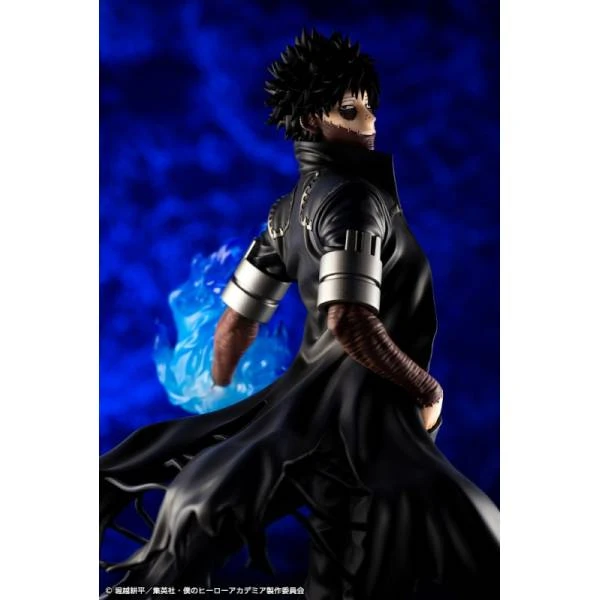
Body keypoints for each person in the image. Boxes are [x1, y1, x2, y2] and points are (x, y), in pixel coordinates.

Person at [100, 30, 499, 599]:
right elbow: (349, 319)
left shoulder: (286, 213)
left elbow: (235, 324)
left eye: (370, 107)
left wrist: (219, 391)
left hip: (308, 418)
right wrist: (425, 389)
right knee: (486, 547)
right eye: (351, 110)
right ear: (314, 119)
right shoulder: (356, 200)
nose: (370, 122)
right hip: (372, 418)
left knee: (344, 562)